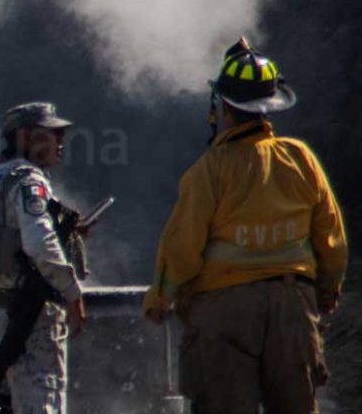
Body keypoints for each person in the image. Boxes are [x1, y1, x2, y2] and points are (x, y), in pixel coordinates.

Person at [143, 38, 348, 414]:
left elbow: (182, 248)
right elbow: (331, 238)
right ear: (271, 105)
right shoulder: (300, 159)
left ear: (223, 106)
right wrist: (326, 292)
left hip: (224, 311)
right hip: (292, 308)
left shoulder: (210, 170)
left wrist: (160, 299)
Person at [0, 102, 90, 414]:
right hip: (29, 319)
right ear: (25, 137)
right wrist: (72, 292)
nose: (60, 142)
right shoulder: (30, 182)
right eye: (51, 134)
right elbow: (40, 244)